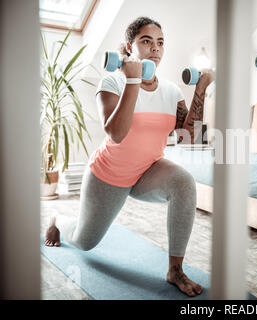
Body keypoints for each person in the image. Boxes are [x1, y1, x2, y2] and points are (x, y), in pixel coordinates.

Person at [44, 16, 213, 297]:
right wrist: (133, 78)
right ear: (129, 46)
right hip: (108, 175)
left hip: (147, 171)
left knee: (184, 182)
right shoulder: (112, 81)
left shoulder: (171, 91)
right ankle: (58, 220)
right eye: (146, 41)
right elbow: (117, 134)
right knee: (84, 242)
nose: (155, 49)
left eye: (160, 43)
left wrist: (201, 89)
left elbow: (190, 139)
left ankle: (175, 269)